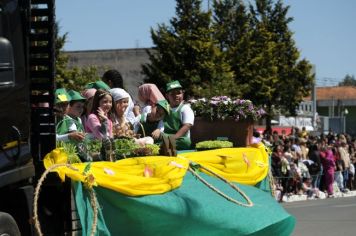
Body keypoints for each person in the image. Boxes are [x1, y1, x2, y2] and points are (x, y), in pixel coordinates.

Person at [162, 80, 194, 150]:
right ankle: (164, 145)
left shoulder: (185, 108)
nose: (176, 96)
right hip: (166, 137)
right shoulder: (164, 109)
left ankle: (164, 146)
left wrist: (173, 138)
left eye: (178, 93)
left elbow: (187, 125)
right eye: (172, 94)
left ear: (182, 94)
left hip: (179, 139)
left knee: (186, 142)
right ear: (167, 96)